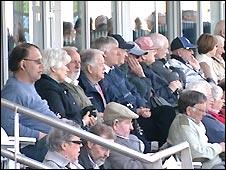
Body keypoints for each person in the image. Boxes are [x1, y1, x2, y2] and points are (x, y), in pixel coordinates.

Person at [1, 43, 58, 162]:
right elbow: (7, 125)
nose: (42, 66)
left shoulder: (28, 86)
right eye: (38, 62)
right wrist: (38, 135)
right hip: (37, 146)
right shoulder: (13, 89)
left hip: (54, 139)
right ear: (23, 64)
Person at [35, 48, 96, 129]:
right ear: (53, 68)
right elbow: (60, 120)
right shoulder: (48, 89)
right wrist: (83, 122)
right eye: (64, 65)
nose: (67, 69)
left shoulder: (57, 86)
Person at [167, 90, 225, 169]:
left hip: (214, 161)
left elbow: (203, 145)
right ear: (189, 110)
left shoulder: (193, 121)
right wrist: (219, 147)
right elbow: (196, 154)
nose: (204, 114)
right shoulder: (184, 126)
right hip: (209, 166)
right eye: (201, 111)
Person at [103, 102, 154, 169]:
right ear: (115, 124)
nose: (131, 128)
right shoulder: (112, 146)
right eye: (128, 123)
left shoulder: (132, 138)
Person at [61, 46, 100, 123]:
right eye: (74, 62)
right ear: (64, 64)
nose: (78, 66)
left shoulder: (76, 84)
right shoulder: (62, 86)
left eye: (79, 62)